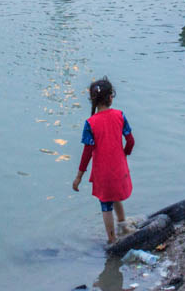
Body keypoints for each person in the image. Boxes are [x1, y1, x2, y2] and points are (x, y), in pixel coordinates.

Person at [72, 77, 134, 243]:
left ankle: (111, 239)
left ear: (93, 99)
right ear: (110, 97)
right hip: (119, 168)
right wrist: (124, 154)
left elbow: (87, 153)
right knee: (116, 197)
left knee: (106, 205)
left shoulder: (90, 123)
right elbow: (130, 141)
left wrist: (79, 177)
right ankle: (124, 226)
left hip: (102, 172)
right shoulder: (120, 115)